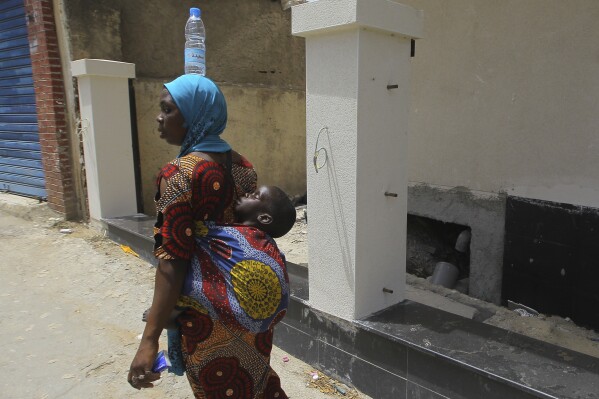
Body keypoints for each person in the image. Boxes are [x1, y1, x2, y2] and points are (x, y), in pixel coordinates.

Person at [128, 75, 290, 399]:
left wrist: (149, 340)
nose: (159, 117)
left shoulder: (177, 175)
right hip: (247, 307)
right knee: (256, 384)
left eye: (168, 110)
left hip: (206, 322)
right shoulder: (245, 168)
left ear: (194, 117)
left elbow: (171, 264)